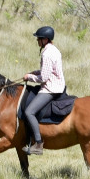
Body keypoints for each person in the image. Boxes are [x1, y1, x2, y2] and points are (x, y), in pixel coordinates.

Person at [22, 26, 64, 156]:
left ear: (45, 39)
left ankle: (38, 144)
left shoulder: (46, 53)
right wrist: (35, 72)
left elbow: (44, 78)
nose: (37, 41)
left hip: (50, 88)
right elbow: (48, 71)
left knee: (29, 112)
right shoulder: (54, 50)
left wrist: (29, 77)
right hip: (58, 85)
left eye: (39, 39)